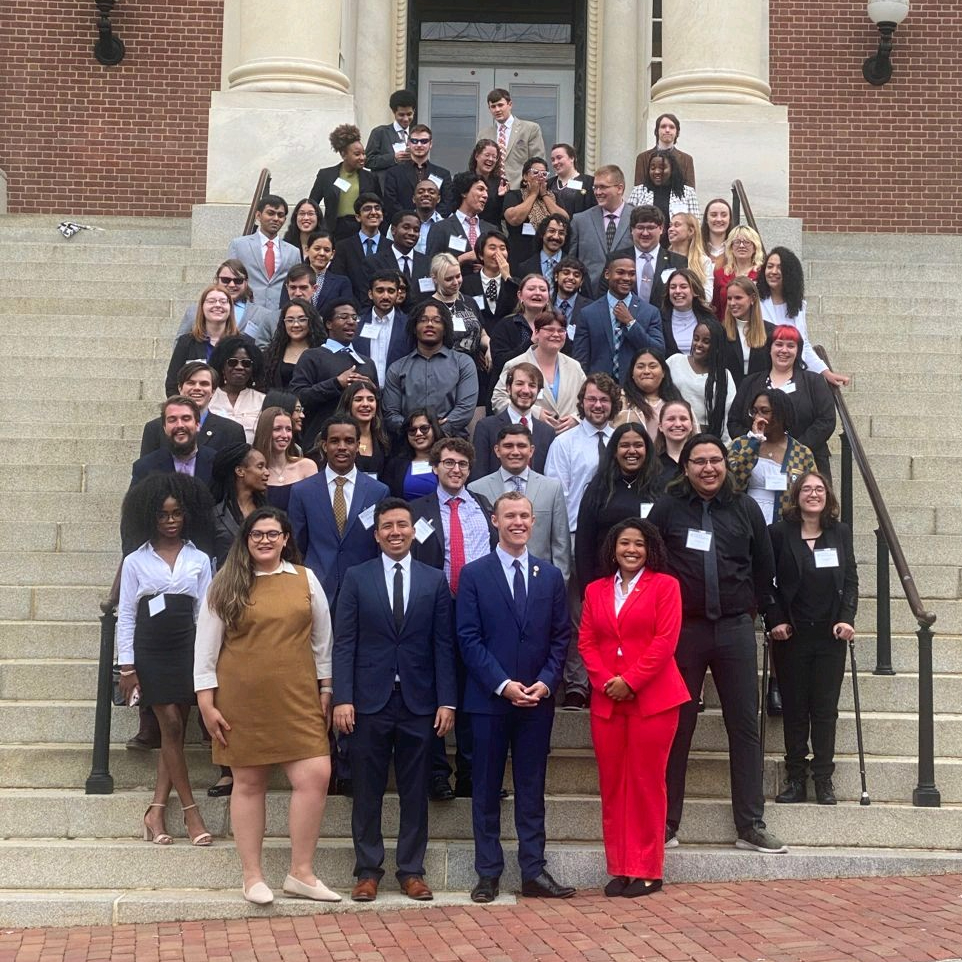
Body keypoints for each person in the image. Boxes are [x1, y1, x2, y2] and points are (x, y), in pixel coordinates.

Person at [648, 435, 786, 854]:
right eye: (699, 461)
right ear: (686, 467)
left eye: (715, 460)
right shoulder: (667, 508)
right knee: (677, 725)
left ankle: (751, 824)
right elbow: (652, 565)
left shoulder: (746, 508)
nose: (708, 468)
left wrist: (757, 612)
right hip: (684, 631)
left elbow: (764, 568)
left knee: (744, 726)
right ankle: (666, 822)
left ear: (726, 463)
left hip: (734, 629)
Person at [194, 507, 339, 905]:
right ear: (246, 539)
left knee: (316, 775)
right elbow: (205, 648)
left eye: (273, 533)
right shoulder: (226, 584)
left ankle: (301, 873)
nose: (265, 540)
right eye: (257, 534)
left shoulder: (305, 578)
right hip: (241, 702)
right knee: (249, 783)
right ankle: (252, 876)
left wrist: (327, 687)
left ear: (285, 538)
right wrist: (206, 701)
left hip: (299, 698)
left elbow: (323, 640)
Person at [333, 498, 457, 902]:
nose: (395, 532)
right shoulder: (356, 577)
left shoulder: (434, 580)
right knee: (367, 789)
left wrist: (447, 701)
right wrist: (343, 698)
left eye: (402, 525)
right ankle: (368, 871)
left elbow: (443, 645)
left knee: (415, 789)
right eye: (387, 526)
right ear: (376, 534)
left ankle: (412, 871)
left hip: (419, 702)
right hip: (368, 701)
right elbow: (344, 642)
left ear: (413, 531)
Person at [457, 491, 574, 903]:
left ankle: (533, 871)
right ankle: (487, 873)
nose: (518, 522)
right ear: (495, 521)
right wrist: (502, 684)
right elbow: (468, 638)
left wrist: (547, 681)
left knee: (531, 788)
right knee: (486, 789)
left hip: (537, 701)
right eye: (510, 516)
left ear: (533, 521)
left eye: (524, 515)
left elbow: (561, 637)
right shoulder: (474, 575)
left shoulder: (550, 576)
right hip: (489, 701)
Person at [578, 518, 688, 897]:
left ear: (650, 548)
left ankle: (648, 870)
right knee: (613, 785)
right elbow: (586, 641)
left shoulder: (665, 586)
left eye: (639, 544)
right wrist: (607, 681)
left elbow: (665, 641)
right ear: (613, 548)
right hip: (608, 700)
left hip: (653, 700)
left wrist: (631, 681)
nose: (631, 550)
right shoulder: (595, 590)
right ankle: (621, 868)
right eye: (624, 543)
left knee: (646, 784)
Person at [117, 474, 214, 848]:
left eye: (176, 513)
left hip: (186, 646)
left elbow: (204, 613)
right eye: (162, 514)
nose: (171, 520)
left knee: (175, 730)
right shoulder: (135, 561)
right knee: (170, 723)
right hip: (150, 648)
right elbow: (127, 614)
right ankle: (191, 812)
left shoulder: (199, 558)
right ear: (150, 517)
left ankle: (156, 811)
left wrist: (206, 659)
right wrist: (127, 666)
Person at [409, 437, 497, 800]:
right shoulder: (417, 511)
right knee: (434, 692)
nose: (455, 469)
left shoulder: (484, 506)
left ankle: (471, 775)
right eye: (448, 462)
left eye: (462, 464)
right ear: (435, 467)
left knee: (475, 694)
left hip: (478, 613)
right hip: (435, 610)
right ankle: (436, 774)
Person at [766, 473, 858, 806]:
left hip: (830, 635)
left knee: (824, 709)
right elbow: (766, 582)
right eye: (806, 489)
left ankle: (823, 778)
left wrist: (847, 618)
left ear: (827, 496)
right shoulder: (779, 533)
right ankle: (795, 778)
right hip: (792, 634)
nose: (813, 494)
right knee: (794, 708)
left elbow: (850, 581)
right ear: (796, 496)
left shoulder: (840, 532)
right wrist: (775, 619)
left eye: (819, 489)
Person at [543, 375, 622, 711]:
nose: (598, 405)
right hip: (577, 536)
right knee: (579, 613)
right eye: (592, 399)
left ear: (613, 404)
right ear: (582, 402)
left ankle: (613, 678)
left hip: (619, 539)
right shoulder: (565, 443)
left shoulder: (624, 441)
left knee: (616, 614)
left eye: (604, 399)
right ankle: (577, 683)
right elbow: (556, 495)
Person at [287, 415, 389, 609]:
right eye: (335, 441)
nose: (342, 447)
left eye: (349, 441)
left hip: (364, 590)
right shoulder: (302, 492)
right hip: (316, 589)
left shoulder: (378, 492)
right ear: (324, 446)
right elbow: (296, 546)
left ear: (358, 446)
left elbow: (380, 545)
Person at [728, 325, 837, 478]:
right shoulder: (750, 382)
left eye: (790, 346)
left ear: (798, 351)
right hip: (755, 466)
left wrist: (793, 450)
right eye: (779, 344)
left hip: (805, 465)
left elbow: (826, 420)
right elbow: (734, 422)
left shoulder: (814, 381)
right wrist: (755, 443)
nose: (784, 350)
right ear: (769, 348)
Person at [469, 424, 571, 582]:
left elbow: (561, 543)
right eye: (508, 446)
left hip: (541, 579)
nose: (515, 452)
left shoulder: (552, 488)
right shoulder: (477, 489)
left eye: (521, 446)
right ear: (497, 450)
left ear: (531, 450)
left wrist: (560, 583)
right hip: (493, 580)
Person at [575, 422, 660, 592]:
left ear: (647, 450)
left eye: (638, 445)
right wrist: (586, 590)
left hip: (650, 584)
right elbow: (584, 543)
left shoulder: (661, 488)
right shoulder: (598, 488)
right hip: (604, 580)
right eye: (624, 445)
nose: (632, 451)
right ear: (614, 451)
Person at [288, 298, 378, 450]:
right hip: (321, 444)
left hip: (361, 446)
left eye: (354, 318)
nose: (351, 322)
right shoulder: (312, 356)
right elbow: (298, 397)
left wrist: (372, 391)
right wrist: (336, 383)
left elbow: (377, 407)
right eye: (343, 317)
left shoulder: (367, 363)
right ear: (329, 324)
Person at [383, 300, 479, 440]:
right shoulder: (397, 368)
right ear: (414, 328)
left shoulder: (463, 363)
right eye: (423, 320)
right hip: (409, 443)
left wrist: (438, 431)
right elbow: (391, 414)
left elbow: (465, 409)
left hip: (452, 443)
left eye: (437, 320)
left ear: (445, 328)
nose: (429, 324)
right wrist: (415, 430)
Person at [757, 247, 850, 388]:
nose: (773, 271)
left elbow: (803, 344)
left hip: (792, 373)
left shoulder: (798, 305)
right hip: (762, 372)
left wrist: (826, 373)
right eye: (770, 267)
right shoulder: (754, 299)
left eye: (780, 268)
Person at [728, 390, 816, 525]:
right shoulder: (740, 445)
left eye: (764, 411)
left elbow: (812, 489)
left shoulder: (802, 453)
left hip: (784, 526)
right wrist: (754, 442)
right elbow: (734, 481)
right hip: (745, 522)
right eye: (754, 411)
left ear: (782, 414)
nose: (758, 417)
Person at [573, 251, 665, 381]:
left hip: (634, 386)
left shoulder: (650, 312)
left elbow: (658, 351)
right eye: (620, 272)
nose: (627, 278)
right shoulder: (588, 313)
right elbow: (580, 360)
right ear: (607, 274)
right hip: (599, 387)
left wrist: (630, 323)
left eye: (632, 274)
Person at [492, 314, 585, 434]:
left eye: (561, 331)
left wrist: (577, 418)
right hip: (530, 437)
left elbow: (588, 400)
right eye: (549, 330)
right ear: (536, 332)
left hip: (569, 437)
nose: (556, 334)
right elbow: (498, 400)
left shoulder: (574, 366)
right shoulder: (515, 364)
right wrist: (532, 413)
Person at [141, 362, 245, 457]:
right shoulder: (155, 428)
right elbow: (146, 469)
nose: (197, 388)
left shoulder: (232, 431)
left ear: (213, 391)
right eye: (191, 383)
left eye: (204, 384)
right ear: (180, 388)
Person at [477, 359, 559, 477]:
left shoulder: (547, 432)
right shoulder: (486, 427)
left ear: (538, 391)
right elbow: (478, 476)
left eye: (532, 385)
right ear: (508, 388)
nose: (525, 390)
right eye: (519, 384)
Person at [666, 318, 736, 441]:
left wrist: (724, 444)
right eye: (696, 338)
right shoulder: (675, 361)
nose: (698, 344)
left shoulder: (723, 375)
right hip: (673, 433)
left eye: (706, 341)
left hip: (705, 439)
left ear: (717, 346)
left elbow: (727, 413)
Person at [309, 124, 382, 240]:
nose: (362, 158)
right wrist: (318, 229)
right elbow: (312, 204)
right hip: (334, 232)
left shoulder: (371, 178)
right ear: (343, 154)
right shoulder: (326, 175)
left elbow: (380, 206)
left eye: (363, 153)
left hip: (362, 231)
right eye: (357, 154)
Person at [227, 195, 301, 309]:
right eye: (270, 213)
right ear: (258, 215)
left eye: (280, 215)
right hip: (247, 310)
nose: (276, 218)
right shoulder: (238, 245)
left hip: (280, 312)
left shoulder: (293, 252)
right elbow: (229, 279)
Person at [174, 261, 277, 342]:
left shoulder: (262, 315)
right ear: (217, 280)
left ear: (246, 283)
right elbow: (180, 344)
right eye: (226, 280)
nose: (232, 285)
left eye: (238, 281)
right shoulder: (194, 311)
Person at [166, 285, 239, 396]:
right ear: (202, 307)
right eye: (211, 301)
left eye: (223, 301)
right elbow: (172, 383)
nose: (218, 305)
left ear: (230, 308)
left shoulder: (243, 343)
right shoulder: (186, 342)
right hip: (194, 404)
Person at [569, 165, 633, 288]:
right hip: (589, 292)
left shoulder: (636, 219)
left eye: (603, 187)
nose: (597, 192)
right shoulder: (580, 220)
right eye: (595, 187)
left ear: (619, 188)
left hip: (626, 291)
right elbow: (571, 261)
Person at [428, 253, 490, 382]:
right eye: (449, 279)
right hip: (441, 374)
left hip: (474, 371)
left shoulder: (469, 302)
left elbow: (482, 334)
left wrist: (490, 346)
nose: (456, 282)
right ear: (435, 279)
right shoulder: (428, 307)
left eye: (458, 276)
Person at [132, 396, 217, 486]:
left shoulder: (217, 463)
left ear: (198, 425)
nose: (179, 425)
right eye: (172, 420)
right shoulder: (145, 467)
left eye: (186, 419)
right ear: (164, 428)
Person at [501, 157, 566, 273]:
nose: (540, 176)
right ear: (525, 176)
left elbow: (564, 221)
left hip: (547, 255)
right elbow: (514, 219)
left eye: (544, 174)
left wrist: (544, 195)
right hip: (519, 254)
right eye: (535, 172)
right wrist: (533, 194)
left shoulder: (554, 197)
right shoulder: (514, 195)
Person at [210, 441, 269, 568]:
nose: (267, 472)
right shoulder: (215, 515)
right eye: (260, 466)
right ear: (240, 471)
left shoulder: (269, 514)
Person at [489, 273, 552, 388]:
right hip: (510, 388)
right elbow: (499, 362)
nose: (537, 293)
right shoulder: (505, 325)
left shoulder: (556, 326)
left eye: (543, 290)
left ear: (548, 297)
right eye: (531, 289)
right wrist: (531, 342)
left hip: (548, 386)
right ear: (520, 295)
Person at [382, 123, 453, 221]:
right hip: (403, 225)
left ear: (430, 144)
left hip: (435, 225)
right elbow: (390, 203)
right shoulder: (393, 173)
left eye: (424, 141)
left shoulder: (443, 174)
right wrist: (410, 220)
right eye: (415, 141)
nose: (419, 145)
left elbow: (447, 203)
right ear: (408, 143)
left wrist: (429, 219)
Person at [478, 88, 546, 190]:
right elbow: (478, 165)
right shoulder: (484, 134)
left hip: (520, 190)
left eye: (500, 105)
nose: (497, 110)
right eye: (493, 106)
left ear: (510, 104)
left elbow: (538, 163)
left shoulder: (530, 129)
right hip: (491, 190)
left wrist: (533, 190)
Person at [363, 211, 432, 311]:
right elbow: (366, 300)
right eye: (406, 227)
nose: (412, 233)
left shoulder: (428, 263)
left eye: (416, 230)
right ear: (393, 230)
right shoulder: (374, 262)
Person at [252, 406, 317, 513]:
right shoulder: (254, 471)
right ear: (264, 432)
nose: (285, 435)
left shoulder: (307, 466)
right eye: (277, 429)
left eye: (288, 429)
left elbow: (315, 508)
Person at [355, 271, 414, 383]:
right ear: (370, 294)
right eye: (380, 290)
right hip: (363, 388)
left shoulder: (409, 325)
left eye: (391, 291)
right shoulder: (357, 324)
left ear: (398, 294)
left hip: (398, 388)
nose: (385, 296)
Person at [626, 205, 688, 308]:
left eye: (651, 228)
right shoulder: (616, 259)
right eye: (640, 227)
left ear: (661, 229)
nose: (645, 233)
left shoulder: (678, 262)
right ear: (632, 229)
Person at [612, 348, 681, 440]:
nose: (646, 371)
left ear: (663, 372)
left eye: (652, 366)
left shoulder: (677, 401)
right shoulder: (619, 400)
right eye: (640, 367)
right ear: (632, 373)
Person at [208, 336, 266, 444]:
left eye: (246, 363)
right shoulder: (208, 398)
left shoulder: (263, 401)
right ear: (222, 366)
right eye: (232, 362)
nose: (239, 367)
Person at [330, 193, 387, 301]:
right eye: (367, 209)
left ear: (382, 215)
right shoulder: (343, 247)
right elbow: (338, 280)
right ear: (358, 217)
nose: (373, 212)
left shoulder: (391, 246)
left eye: (377, 208)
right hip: (352, 306)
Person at [626, 153, 699, 237]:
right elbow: (628, 223)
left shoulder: (688, 193)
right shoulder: (638, 191)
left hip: (678, 244)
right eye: (653, 168)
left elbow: (696, 225)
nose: (656, 172)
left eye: (662, 168)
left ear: (672, 169)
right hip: (646, 241)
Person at [459, 230, 520, 329]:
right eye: (492, 248)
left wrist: (507, 277)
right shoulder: (466, 283)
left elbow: (516, 308)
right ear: (480, 255)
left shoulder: (515, 284)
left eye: (502, 248)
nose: (498, 253)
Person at [720, 277, 775, 386]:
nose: (732, 303)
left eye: (738, 298)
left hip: (761, 391)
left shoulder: (771, 331)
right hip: (729, 392)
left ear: (753, 298)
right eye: (729, 298)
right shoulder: (720, 332)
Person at [262, 298, 325, 391]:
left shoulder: (324, 352)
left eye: (302, 320)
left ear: (311, 321)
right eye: (290, 320)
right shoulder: (272, 353)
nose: (296, 325)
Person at [381, 409, 444, 501]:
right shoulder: (395, 465)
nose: (418, 433)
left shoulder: (448, 460)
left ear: (434, 429)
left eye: (424, 428)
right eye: (412, 430)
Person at [334, 379, 390, 478]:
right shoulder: (334, 437)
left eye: (371, 399)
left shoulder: (384, 439)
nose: (365, 404)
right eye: (358, 399)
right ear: (348, 404)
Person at [660, 267, 716, 358]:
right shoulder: (659, 319)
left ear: (695, 291)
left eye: (683, 287)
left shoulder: (709, 319)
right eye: (673, 287)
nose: (677, 291)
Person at [712, 225, 764, 320]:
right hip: (726, 326)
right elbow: (716, 308)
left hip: (756, 325)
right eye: (737, 242)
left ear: (755, 247)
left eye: (747, 242)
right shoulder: (720, 274)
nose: (741, 246)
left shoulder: (762, 274)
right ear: (731, 247)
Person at [365, 89, 417, 181]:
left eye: (409, 114)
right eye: (401, 115)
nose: (406, 119)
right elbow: (368, 160)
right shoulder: (380, 133)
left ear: (414, 111)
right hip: (385, 185)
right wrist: (393, 158)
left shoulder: (417, 135)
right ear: (394, 112)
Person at [634, 112, 696, 188]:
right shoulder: (643, 158)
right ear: (656, 131)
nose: (667, 130)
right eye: (663, 126)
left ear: (677, 132)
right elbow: (638, 190)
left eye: (672, 127)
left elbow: (690, 191)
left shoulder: (687, 160)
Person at [516, 212, 570, 295]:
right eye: (551, 231)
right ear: (542, 233)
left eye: (561, 233)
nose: (556, 237)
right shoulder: (524, 268)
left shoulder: (575, 268)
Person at [667, 214, 713, 305]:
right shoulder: (662, 259)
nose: (671, 229)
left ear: (691, 231)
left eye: (677, 225)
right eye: (670, 225)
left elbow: (707, 296)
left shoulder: (703, 261)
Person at [653, 399, 698, 491]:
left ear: (691, 426)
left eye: (683, 419)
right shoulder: (650, 462)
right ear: (660, 426)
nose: (677, 424)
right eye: (671, 419)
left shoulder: (702, 460)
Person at [463, 137, 508, 226]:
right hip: (465, 227)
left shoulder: (501, 183)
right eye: (487, 155)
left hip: (491, 230)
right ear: (476, 156)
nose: (490, 159)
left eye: (494, 157)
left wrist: (501, 197)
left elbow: (503, 215)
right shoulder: (463, 179)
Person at [548, 143, 596, 218]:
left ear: (572, 158)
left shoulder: (589, 182)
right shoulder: (548, 184)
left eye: (559, 158)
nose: (555, 162)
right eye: (553, 160)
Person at [552, 256, 594, 333]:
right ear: (556, 276)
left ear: (581, 282)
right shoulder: (545, 304)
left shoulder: (591, 308)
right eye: (566, 273)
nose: (571, 277)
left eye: (576, 275)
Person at [412, 178, 445, 253]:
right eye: (420, 192)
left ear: (438, 199)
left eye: (431, 192)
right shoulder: (400, 223)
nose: (426, 194)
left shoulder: (446, 226)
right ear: (414, 199)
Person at [701, 198, 733, 267]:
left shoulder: (736, 247)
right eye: (713, 215)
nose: (719, 219)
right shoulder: (696, 247)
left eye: (724, 215)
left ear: (730, 219)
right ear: (706, 219)